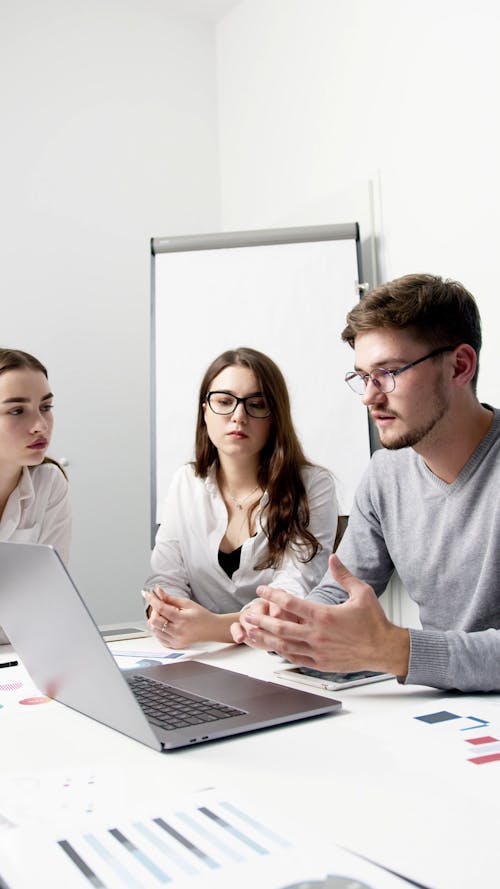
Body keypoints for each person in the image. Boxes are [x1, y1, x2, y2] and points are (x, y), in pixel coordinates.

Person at [231, 274, 500, 693]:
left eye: (389, 372)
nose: (369, 397)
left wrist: (396, 650)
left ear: (460, 366)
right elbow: (339, 592)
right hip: (445, 715)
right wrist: (293, 619)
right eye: (362, 376)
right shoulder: (385, 474)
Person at [144, 346, 338, 649]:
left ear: (275, 416)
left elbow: (293, 596)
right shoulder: (185, 482)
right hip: (199, 656)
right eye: (223, 402)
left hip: (282, 659)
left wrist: (211, 628)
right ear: (204, 411)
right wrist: (168, 613)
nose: (238, 416)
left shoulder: (313, 486)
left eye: (256, 404)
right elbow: (165, 577)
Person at [0, 348, 71, 643]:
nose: (40, 425)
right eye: (17, 411)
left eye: (46, 407)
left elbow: (52, 603)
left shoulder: (49, 482)